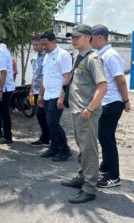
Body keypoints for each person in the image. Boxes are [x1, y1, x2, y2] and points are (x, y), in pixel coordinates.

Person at [61, 24, 107, 203]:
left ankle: (89, 188)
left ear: (88, 37)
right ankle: (83, 177)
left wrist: (89, 109)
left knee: (89, 150)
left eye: (77, 36)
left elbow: (103, 86)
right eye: (71, 36)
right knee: (82, 148)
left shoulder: (93, 58)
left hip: (86, 113)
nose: (73, 39)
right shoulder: (80, 57)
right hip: (77, 111)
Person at [91, 24, 131, 188]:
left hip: (112, 102)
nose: (90, 41)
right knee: (105, 137)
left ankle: (114, 177)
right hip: (106, 102)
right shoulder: (102, 54)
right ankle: (106, 168)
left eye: (91, 38)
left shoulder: (110, 55)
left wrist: (126, 101)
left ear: (99, 37)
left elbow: (120, 80)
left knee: (106, 139)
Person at [38, 32, 72, 161]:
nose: (43, 47)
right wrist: (40, 95)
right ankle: (54, 148)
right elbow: (44, 77)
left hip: (57, 94)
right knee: (49, 123)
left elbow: (66, 78)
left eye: (45, 44)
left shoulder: (63, 55)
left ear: (54, 42)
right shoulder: (46, 56)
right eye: (42, 45)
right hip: (47, 94)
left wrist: (62, 97)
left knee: (53, 122)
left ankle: (65, 149)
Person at [29, 34, 50, 146]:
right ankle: (45, 137)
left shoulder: (46, 57)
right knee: (40, 115)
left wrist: (41, 93)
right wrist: (31, 89)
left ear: (42, 45)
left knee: (42, 114)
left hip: (44, 91)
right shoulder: (35, 58)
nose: (35, 47)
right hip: (36, 90)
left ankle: (47, 137)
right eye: (33, 45)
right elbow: (34, 75)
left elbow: (44, 76)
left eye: (36, 44)